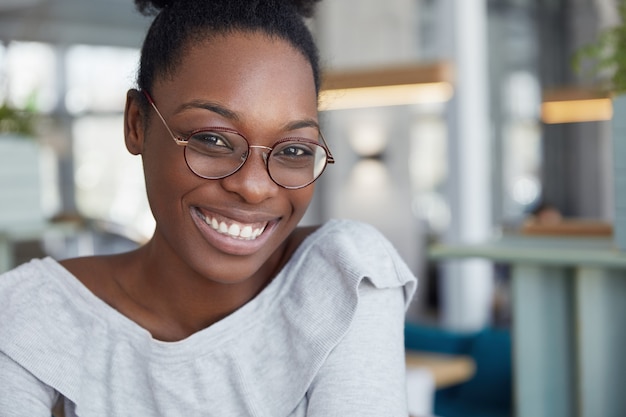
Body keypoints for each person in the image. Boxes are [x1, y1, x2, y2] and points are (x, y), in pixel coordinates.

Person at [0, 0, 417, 416]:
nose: (254, 188)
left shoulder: (344, 276)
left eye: (293, 149)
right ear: (136, 124)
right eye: (213, 140)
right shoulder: (32, 315)